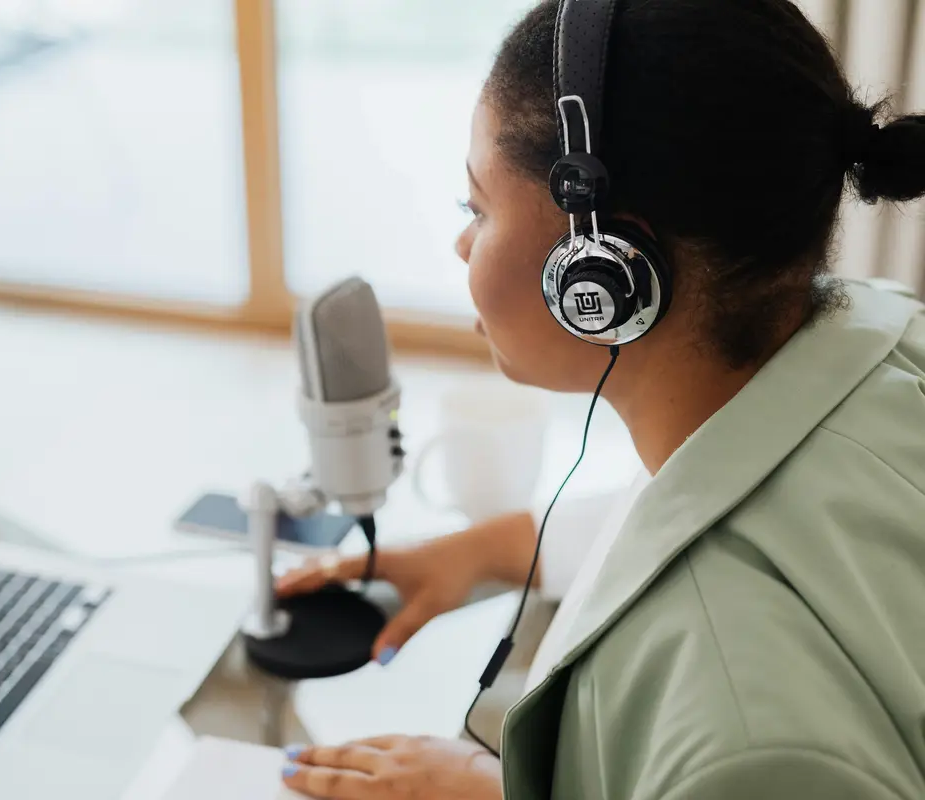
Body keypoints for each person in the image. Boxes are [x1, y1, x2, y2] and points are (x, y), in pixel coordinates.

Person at [274, 1, 925, 798]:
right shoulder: (883, 333)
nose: (460, 244)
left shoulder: (741, 737)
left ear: (602, 273)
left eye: (476, 208)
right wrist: (478, 552)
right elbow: (697, 504)